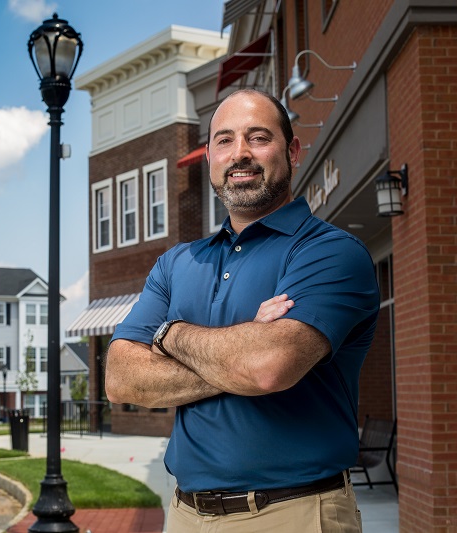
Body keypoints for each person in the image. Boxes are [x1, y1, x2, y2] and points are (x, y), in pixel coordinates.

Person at [106, 89, 380, 532]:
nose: (240, 154)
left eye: (258, 137)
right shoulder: (176, 263)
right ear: (209, 157)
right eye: (225, 140)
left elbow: (267, 367)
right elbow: (121, 379)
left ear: (292, 151)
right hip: (185, 515)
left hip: (292, 513)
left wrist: (169, 335)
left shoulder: (329, 252)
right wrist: (241, 351)